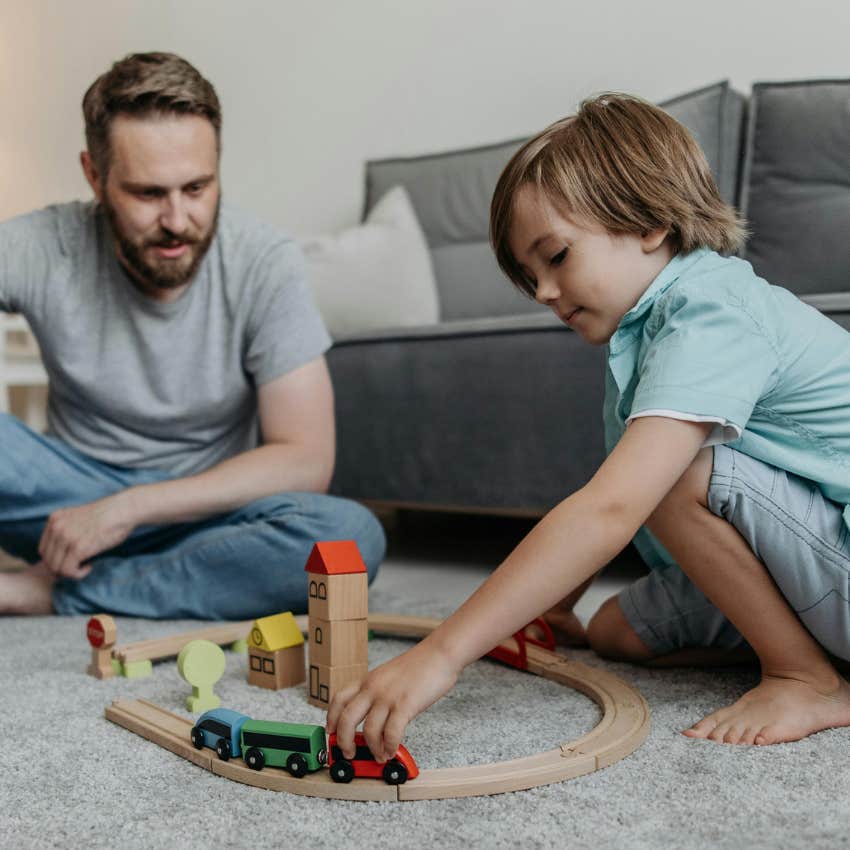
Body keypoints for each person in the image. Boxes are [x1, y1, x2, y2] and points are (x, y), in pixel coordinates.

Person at [328, 93, 850, 757]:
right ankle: (799, 643)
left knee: (674, 474)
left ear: (650, 224)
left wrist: (441, 655)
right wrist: (548, 603)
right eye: (528, 274)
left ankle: (806, 676)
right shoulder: (645, 332)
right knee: (614, 634)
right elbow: (609, 491)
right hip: (813, 560)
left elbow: (614, 505)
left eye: (556, 257)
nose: (543, 292)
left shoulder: (711, 312)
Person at [0, 52, 385, 618]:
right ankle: (166, 582)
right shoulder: (40, 244)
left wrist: (128, 508)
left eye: (198, 188)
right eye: (148, 194)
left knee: (348, 538)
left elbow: (305, 458)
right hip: (64, 510)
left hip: (210, 513)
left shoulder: (264, 261)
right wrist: (98, 508)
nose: (178, 220)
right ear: (94, 176)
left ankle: (56, 592)